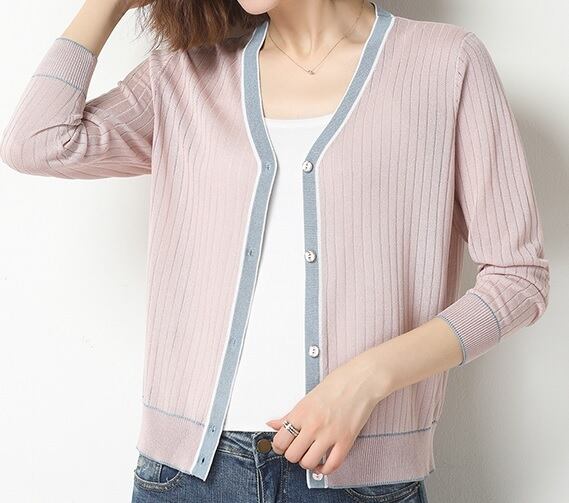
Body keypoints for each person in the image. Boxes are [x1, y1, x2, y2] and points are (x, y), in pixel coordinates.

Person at [0, 0, 550, 502]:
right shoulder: (184, 76)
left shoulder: (446, 63)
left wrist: (366, 379)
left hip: (359, 479)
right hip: (185, 478)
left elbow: (518, 278)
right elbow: (37, 142)